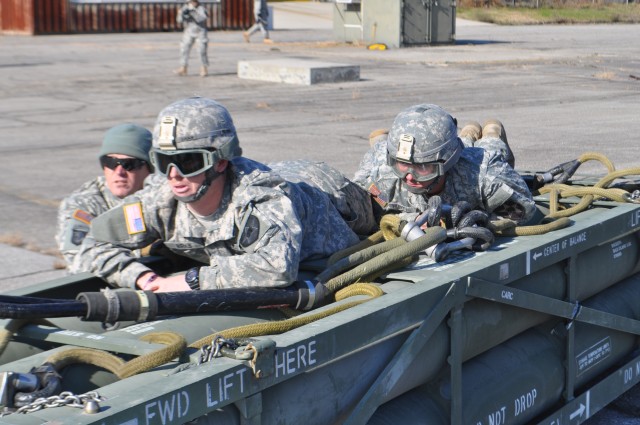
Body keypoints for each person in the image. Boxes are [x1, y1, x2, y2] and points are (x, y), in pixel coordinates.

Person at [77, 97, 375, 292]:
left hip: (325, 192)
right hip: (286, 177)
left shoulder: (263, 198)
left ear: (220, 161)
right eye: (163, 162)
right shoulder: (160, 200)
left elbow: (276, 268)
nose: (174, 175)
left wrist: (190, 280)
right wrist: (143, 278)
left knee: (378, 209)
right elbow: (91, 242)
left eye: (188, 162)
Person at [353, 104, 536, 226]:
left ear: (446, 163)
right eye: (402, 165)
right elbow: (364, 209)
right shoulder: (379, 171)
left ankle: (490, 131)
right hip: (388, 151)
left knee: (489, 147)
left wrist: (468, 221)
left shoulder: (486, 175)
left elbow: (523, 210)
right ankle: (468, 133)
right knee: (380, 144)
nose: (409, 177)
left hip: (475, 158)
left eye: (422, 168)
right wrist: (412, 220)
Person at [56, 123, 159, 270]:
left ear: (149, 168)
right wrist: (143, 252)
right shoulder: (84, 203)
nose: (119, 172)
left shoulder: (161, 197)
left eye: (129, 164)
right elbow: (78, 258)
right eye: (110, 162)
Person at [176, 0, 209, 77]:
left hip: (200, 32)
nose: (192, 3)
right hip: (189, 31)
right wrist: (181, 14)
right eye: (190, 2)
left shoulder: (201, 8)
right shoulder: (185, 7)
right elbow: (179, 20)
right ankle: (183, 67)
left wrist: (192, 12)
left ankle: (203, 68)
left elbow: (202, 18)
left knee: (201, 50)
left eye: (193, 1)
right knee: (184, 49)